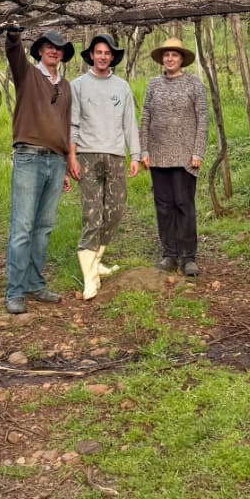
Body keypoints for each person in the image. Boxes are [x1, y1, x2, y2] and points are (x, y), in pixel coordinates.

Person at [3, 23, 75, 314]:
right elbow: (13, 55)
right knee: (22, 227)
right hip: (29, 158)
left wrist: (68, 163)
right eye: (48, 46)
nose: (53, 50)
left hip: (56, 162)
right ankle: (15, 291)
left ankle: (35, 283)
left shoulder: (66, 86)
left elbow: (68, 127)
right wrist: (13, 37)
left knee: (43, 228)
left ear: (62, 54)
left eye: (58, 47)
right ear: (40, 51)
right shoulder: (28, 75)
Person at [69, 32, 141, 301]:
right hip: (87, 155)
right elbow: (72, 123)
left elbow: (129, 123)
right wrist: (72, 156)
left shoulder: (121, 87)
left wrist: (135, 155)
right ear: (91, 55)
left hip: (115, 155)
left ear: (112, 57)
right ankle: (90, 279)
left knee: (116, 210)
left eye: (107, 53)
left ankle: (96, 260)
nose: (102, 56)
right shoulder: (78, 85)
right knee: (92, 213)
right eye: (98, 52)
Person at [140, 35, 209, 277]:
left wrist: (198, 151)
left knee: (184, 205)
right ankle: (169, 254)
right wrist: (144, 150)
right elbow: (145, 117)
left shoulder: (194, 84)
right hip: (158, 156)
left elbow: (203, 120)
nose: (170, 58)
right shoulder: (152, 85)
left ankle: (188, 256)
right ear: (162, 59)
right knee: (164, 206)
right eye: (166, 55)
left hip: (185, 156)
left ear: (182, 59)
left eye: (174, 55)